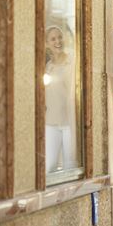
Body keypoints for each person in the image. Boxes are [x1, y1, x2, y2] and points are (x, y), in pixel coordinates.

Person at [45, 26, 78, 173]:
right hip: (51, 121)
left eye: (59, 37)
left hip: (69, 122)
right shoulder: (48, 66)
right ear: (47, 44)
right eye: (53, 39)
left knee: (70, 166)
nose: (57, 41)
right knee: (49, 165)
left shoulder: (72, 61)